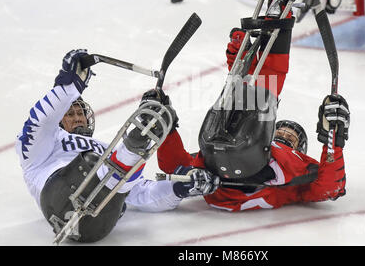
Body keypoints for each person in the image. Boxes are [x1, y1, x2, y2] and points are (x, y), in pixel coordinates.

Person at [152, 0, 351, 212]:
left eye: (292, 136)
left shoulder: (299, 167)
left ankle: (266, 29)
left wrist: (164, 128)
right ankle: (250, 51)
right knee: (254, 102)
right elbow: (176, 166)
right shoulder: (270, 145)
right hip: (229, 153)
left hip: (237, 174)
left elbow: (329, 188)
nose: (286, 135)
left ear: (299, 149)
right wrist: (334, 141)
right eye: (285, 131)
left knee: (257, 99)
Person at [15, 49, 218, 243]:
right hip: (59, 199)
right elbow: (39, 121)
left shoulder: (106, 149)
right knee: (94, 162)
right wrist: (69, 86)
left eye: (79, 114)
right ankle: (140, 139)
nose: (77, 118)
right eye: (69, 114)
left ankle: (140, 138)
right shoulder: (47, 144)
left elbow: (144, 194)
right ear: (60, 120)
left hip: (97, 225)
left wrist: (180, 187)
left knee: (121, 172)